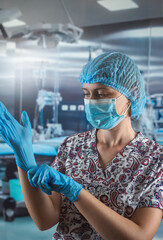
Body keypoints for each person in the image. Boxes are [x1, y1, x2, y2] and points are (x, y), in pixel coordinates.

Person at [0, 51, 162, 240]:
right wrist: (24, 155)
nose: (92, 101)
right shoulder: (72, 147)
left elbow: (139, 236)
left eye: (102, 94)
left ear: (131, 94)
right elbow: (45, 220)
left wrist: (76, 192)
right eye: (87, 94)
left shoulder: (155, 159)